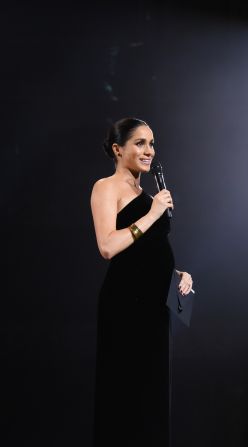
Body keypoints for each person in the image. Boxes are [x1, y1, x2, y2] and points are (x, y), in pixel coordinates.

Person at [90, 117, 193, 446]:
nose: (149, 150)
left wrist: (178, 275)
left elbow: (146, 253)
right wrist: (151, 215)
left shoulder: (149, 194)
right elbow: (108, 246)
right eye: (140, 143)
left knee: (152, 398)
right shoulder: (106, 187)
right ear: (118, 149)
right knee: (126, 398)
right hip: (125, 307)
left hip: (154, 308)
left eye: (151, 143)